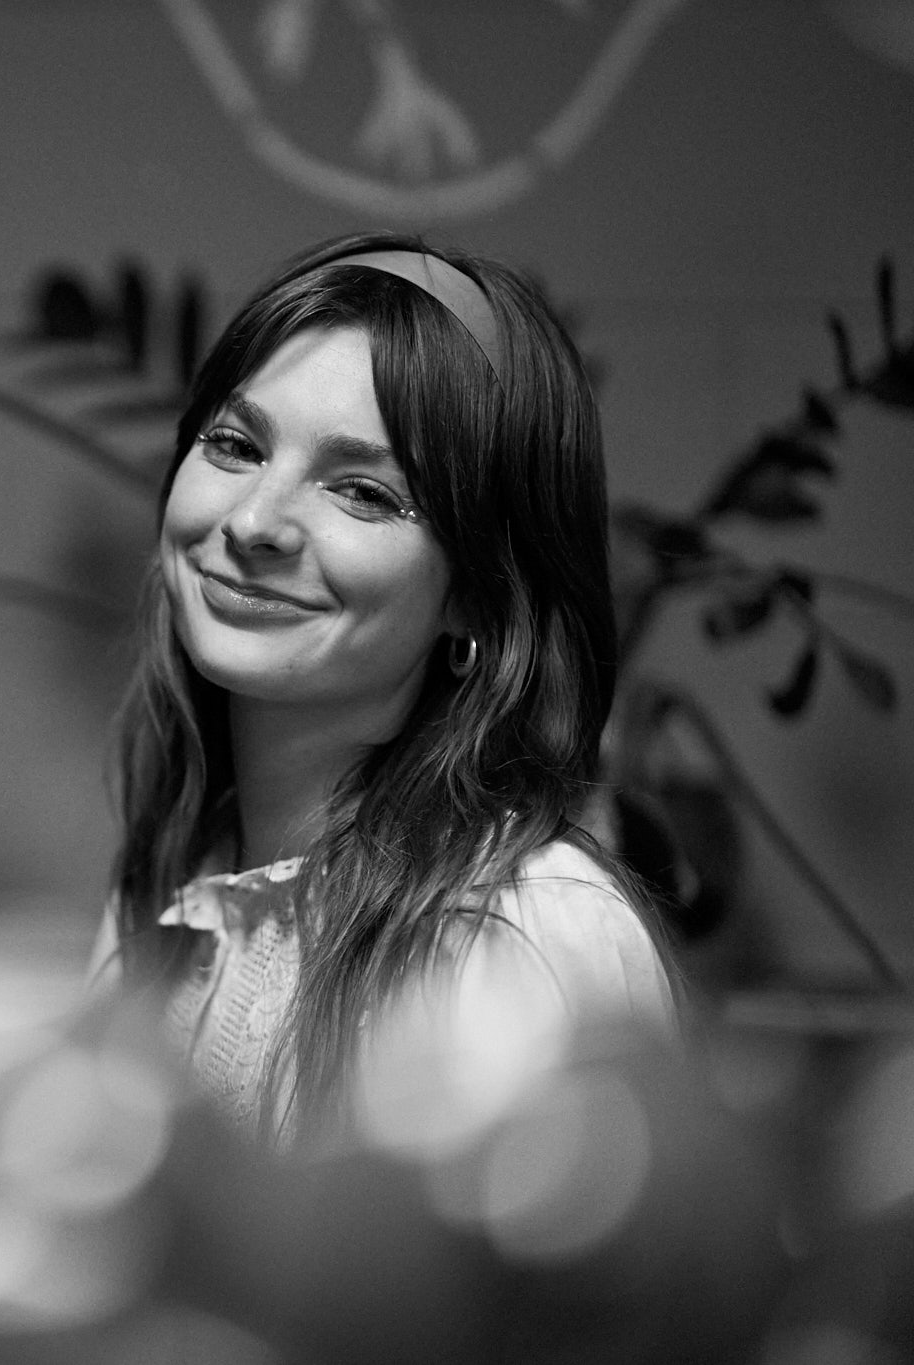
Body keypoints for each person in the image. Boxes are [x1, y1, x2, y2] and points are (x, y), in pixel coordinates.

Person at [97, 233, 678, 1146]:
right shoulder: (176, 884)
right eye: (235, 444)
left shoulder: (521, 930)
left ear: (478, 592)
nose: (253, 521)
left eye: (363, 493)